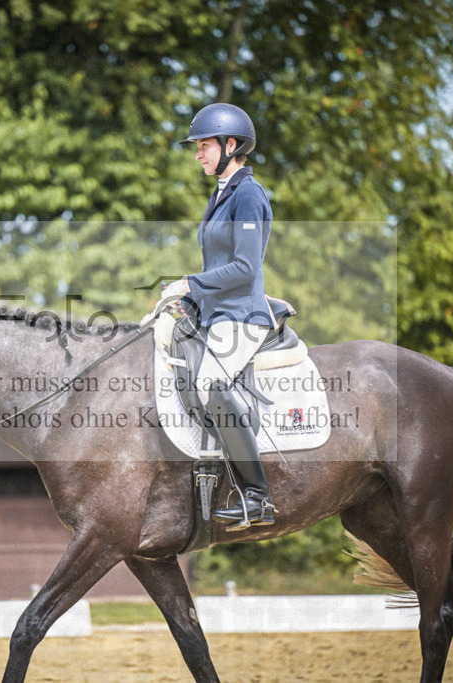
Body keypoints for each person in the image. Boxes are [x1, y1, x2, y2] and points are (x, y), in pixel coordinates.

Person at [166, 102, 277, 529]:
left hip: (242, 316)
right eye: (196, 147)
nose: (197, 154)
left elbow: (245, 268)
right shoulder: (222, 192)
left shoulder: (248, 194)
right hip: (216, 314)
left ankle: (257, 496)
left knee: (210, 384)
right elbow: (218, 265)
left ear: (231, 145)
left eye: (204, 146)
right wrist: (192, 301)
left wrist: (189, 284)